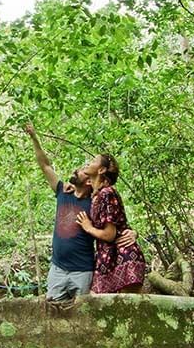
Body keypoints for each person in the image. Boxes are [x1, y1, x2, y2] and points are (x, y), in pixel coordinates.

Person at [25, 125, 136, 301]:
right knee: (54, 311)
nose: (76, 171)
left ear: (90, 182)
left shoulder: (95, 202)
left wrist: (132, 232)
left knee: (82, 315)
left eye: (82, 171)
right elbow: (45, 165)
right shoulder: (62, 191)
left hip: (83, 271)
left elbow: (114, 222)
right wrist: (34, 139)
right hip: (57, 269)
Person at [76, 153, 147, 294]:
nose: (89, 162)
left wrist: (88, 227)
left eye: (93, 160)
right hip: (106, 260)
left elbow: (110, 234)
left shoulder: (107, 193)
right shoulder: (96, 194)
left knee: (130, 309)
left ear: (101, 170)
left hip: (122, 257)